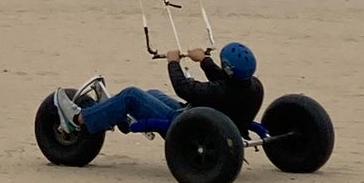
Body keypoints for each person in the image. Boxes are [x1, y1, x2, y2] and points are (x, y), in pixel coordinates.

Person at [54, 41, 263, 137]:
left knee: (131, 94)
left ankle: (77, 120)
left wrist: (173, 62)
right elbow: (227, 82)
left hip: (190, 126)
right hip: (216, 121)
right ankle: (117, 117)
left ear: (228, 69)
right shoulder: (253, 87)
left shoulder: (219, 92)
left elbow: (184, 88)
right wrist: (205, 61)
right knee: (152, 94)